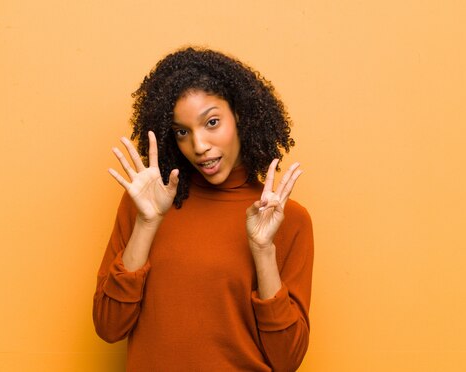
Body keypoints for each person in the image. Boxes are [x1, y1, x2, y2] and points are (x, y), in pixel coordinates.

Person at [93, 47, 314, 371]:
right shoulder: (144, 205)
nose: (198, 146)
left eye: (212, 122)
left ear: (240, 116)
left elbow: (287, 359)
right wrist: (146, 223)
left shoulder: (287, 220)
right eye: (182, 131)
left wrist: (263, 250)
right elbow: (109, 327)